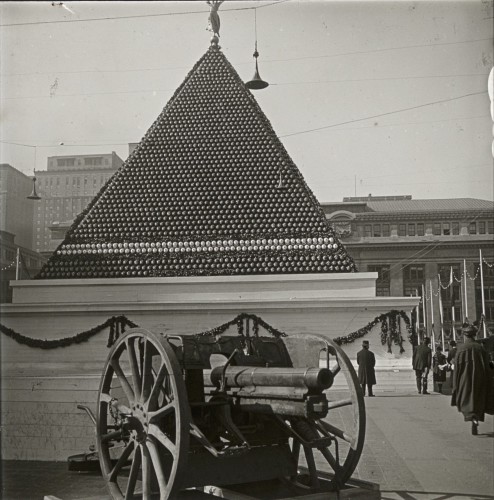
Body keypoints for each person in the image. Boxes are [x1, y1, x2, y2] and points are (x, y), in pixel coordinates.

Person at [451, 324, 493, 435]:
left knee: (467, 398)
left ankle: (471, 417)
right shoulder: (481, 348)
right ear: (475, 334)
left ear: (465, 335)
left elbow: (457, 368)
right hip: (480, 377)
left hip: (465, 378)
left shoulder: (461, 349)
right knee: (478, 397)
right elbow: (487, 366)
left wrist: (455, 384)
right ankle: (476, 417)